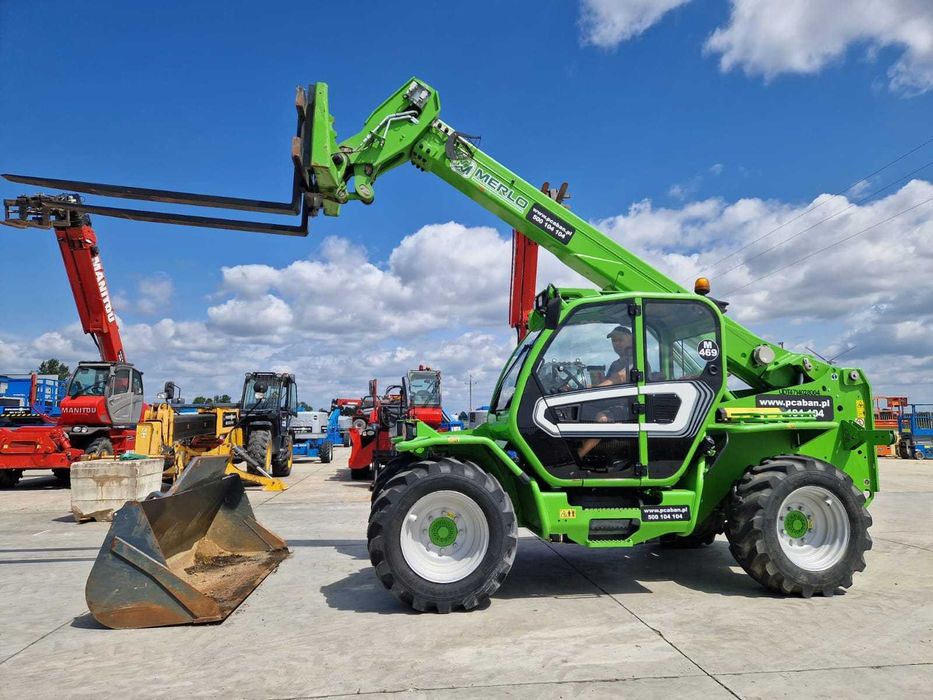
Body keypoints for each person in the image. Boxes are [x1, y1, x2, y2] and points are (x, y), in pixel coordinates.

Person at [577, 325, 635, 459]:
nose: (616, 344)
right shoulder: (616, 363)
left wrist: (596, 389)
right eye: (614, 341)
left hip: (630, 407)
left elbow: (619, 377)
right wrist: (585, 388)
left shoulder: (637, 360)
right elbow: (608, 382)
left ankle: (578, 456)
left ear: (631, 339)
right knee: (580, 410)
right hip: (613, 404)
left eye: (620, 340)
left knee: (601, 418)